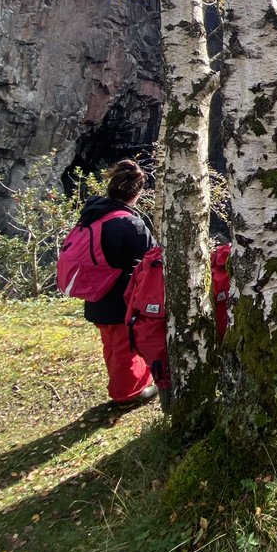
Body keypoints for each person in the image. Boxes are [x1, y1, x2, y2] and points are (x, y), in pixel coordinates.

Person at [78, 159, 159, 409]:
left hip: (95, 293)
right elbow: (153, 257)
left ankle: (126, 385)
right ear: (137, 192)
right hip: (120, 297)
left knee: (113, 345)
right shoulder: (128, 223)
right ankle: (128, 394)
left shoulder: (92, 215)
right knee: (126, 346)